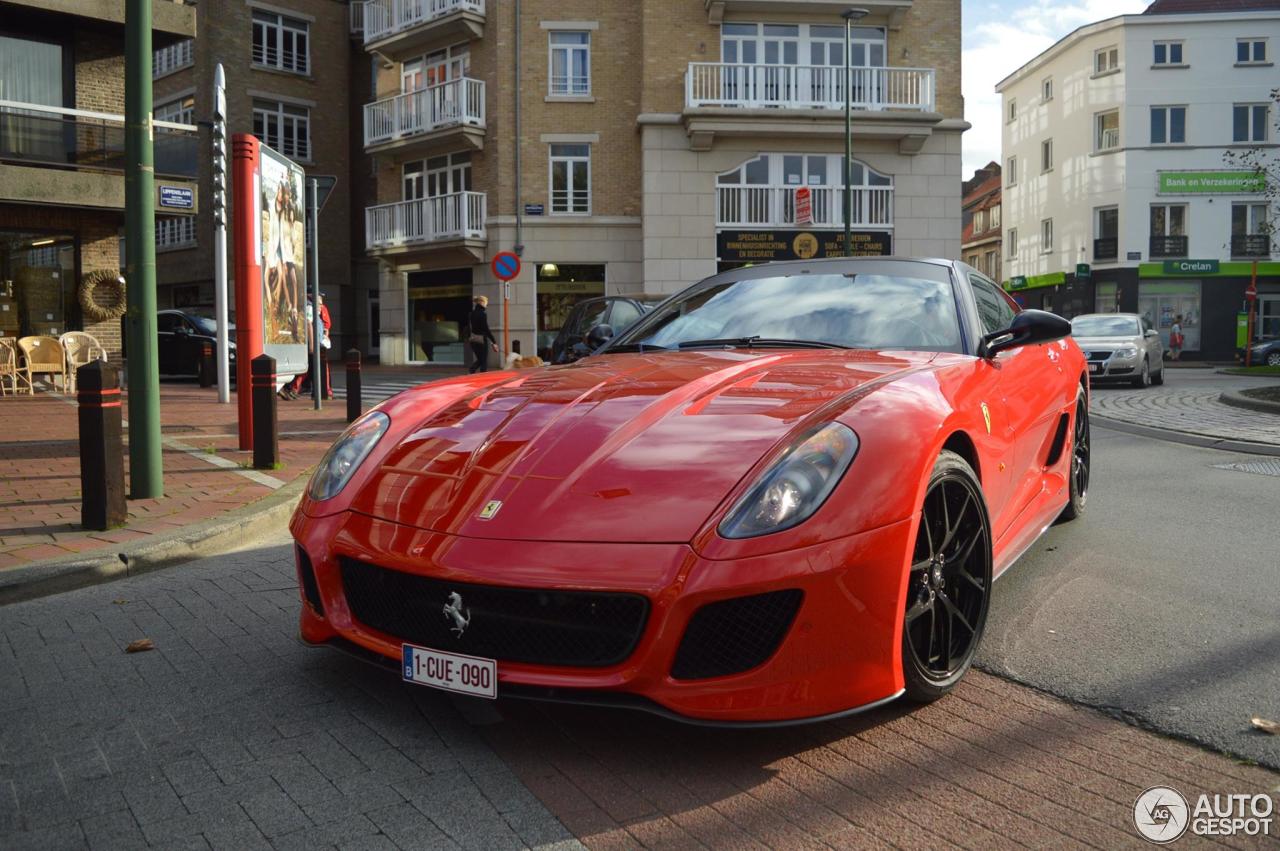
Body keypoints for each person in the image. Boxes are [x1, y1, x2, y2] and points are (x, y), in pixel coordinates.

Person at [468, 295, 498, 373]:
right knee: (483, 361)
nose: (486, 304)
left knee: (480, 359)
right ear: (481, 302)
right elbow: (486, 329)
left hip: (473, 339)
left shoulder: (472, 313)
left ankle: (472, 370)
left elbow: (470, 327)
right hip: (481, 339)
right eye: (486, 302)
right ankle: (482, 376)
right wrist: (494, 342)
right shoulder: (482, 314)